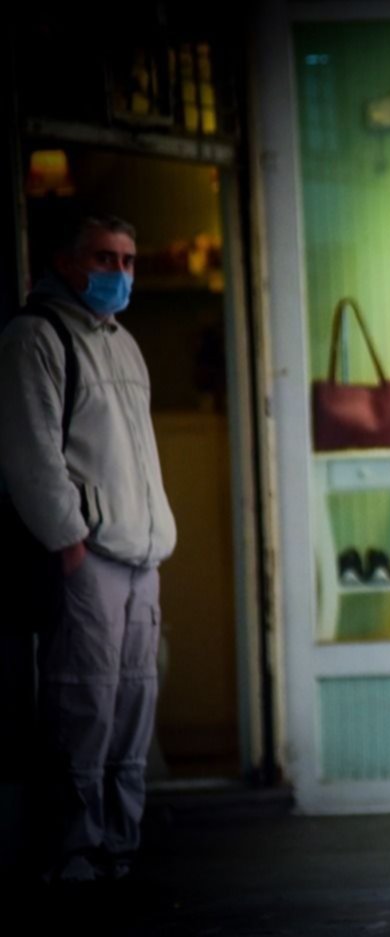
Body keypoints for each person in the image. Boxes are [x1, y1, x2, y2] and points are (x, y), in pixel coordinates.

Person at [0, 214, 177, 884]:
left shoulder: (122, 343)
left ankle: (118, 848)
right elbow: (30, 453)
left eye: (130, 260)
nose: (120, 273)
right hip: (91, 556)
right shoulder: (34, 338)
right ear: (67, 262)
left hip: (139, 556)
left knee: (131, 710)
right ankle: (74, 853)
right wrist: (69, 542)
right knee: (83, 707)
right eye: (105, 258)